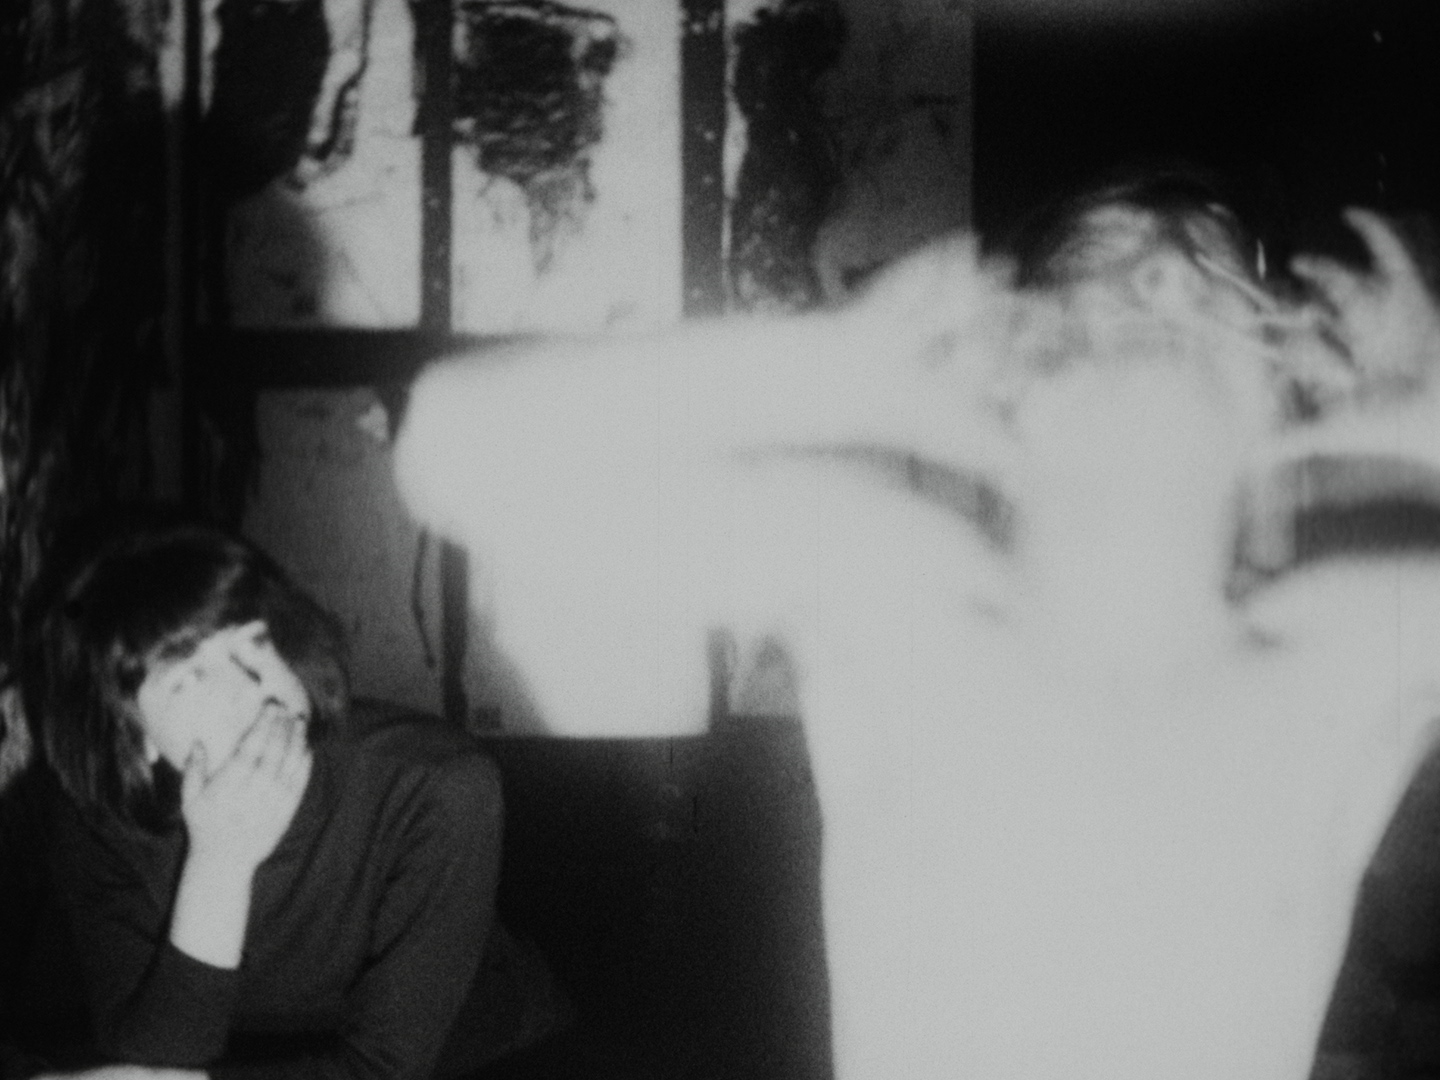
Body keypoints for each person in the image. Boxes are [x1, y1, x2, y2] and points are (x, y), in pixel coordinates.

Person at [13, 522, 504, 1080]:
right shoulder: (96, 819)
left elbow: (385, 1068)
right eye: (189, 678)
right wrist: (219, 865)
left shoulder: (438, 786)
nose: (250, 689)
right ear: (134, 733)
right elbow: (150, 1060)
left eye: (255, 645)